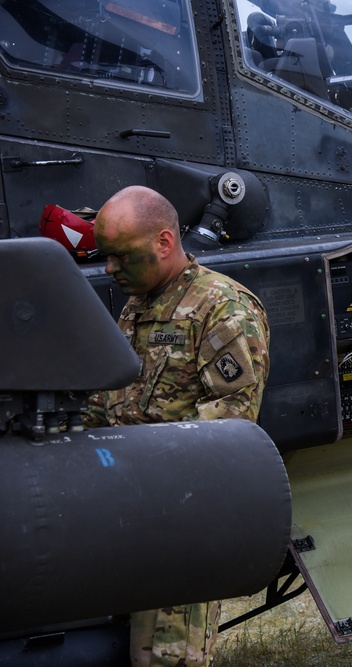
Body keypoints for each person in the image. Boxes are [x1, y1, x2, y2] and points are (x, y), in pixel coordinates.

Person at [84, 185, 270, 667]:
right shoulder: (139, 304)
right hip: (129, 503)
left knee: (165, 658)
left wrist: (143, 464)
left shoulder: (223, 308)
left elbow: (230, 424)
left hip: (182, 514)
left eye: (120, 256)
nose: (108, 269)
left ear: (164, 243)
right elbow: (114, 399)